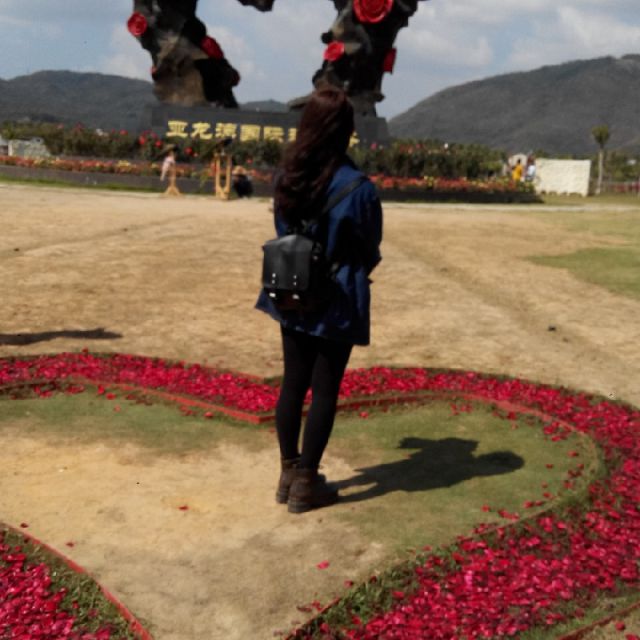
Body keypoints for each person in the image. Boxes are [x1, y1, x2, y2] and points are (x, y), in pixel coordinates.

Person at [255, 88, 383, 514]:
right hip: (337, 295)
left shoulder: (287, 176)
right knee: (325, 389)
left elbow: (282, 228)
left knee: (293, 382)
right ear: (346, 131)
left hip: (290, 286)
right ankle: (307, 482)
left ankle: (288, 472)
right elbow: (369, 247)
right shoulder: (358, 187)